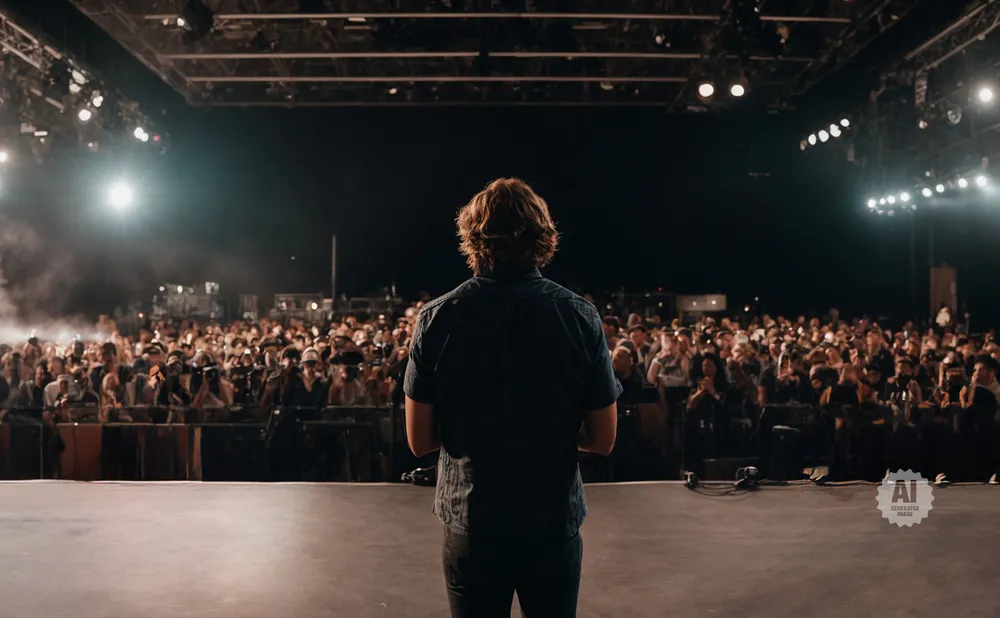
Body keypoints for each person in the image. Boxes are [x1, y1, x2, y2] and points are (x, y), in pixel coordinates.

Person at [404, 178, 620, 618]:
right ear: (543, 237)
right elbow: (603, 440)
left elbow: (419, 441)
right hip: (550, 520)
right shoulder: (578, 315)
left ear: (472, 238)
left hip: (472, 519)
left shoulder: (437, 318)